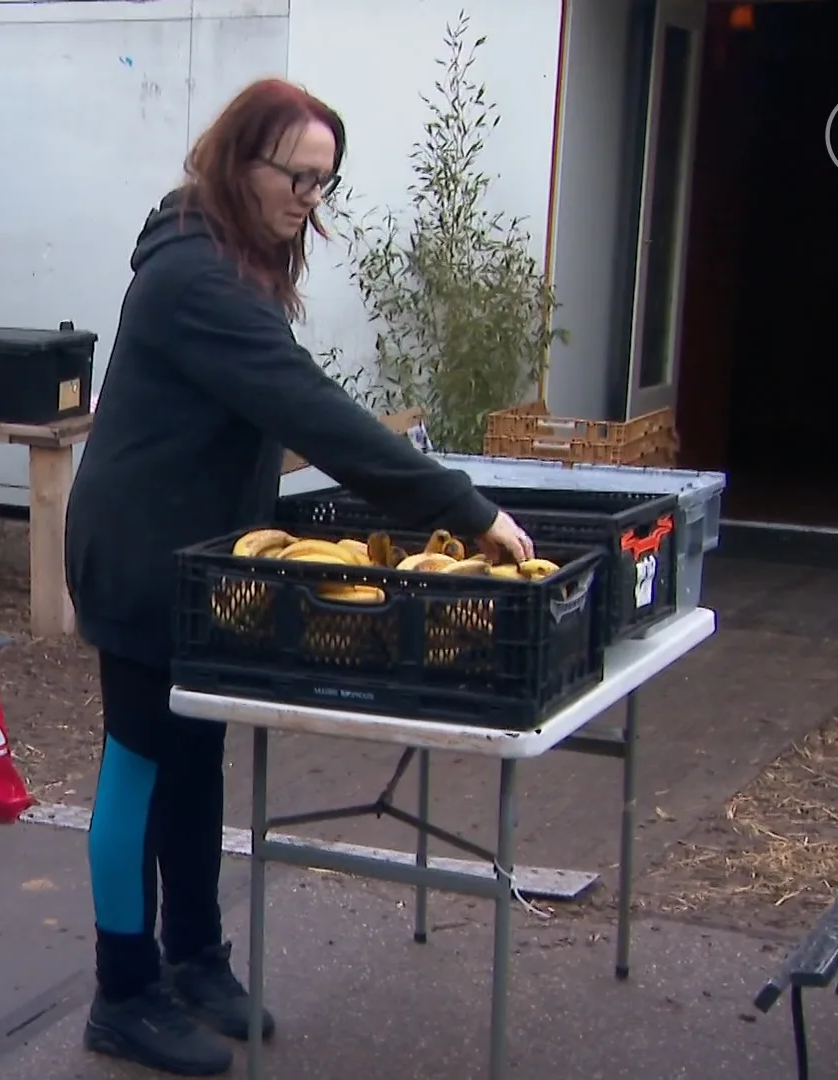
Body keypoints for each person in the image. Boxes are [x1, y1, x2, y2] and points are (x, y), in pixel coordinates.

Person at [63, 79, 536, 1076]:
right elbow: (311, 409)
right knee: (141, 765)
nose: (308, 201)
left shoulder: (229, 255)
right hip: (146, 555)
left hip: (212, 554)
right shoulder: (196, 277)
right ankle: (123, 988)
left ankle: (195, 957)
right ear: (242, 162)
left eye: (324, 183)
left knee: (197, 762)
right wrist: (467, 509)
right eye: (297, 178)